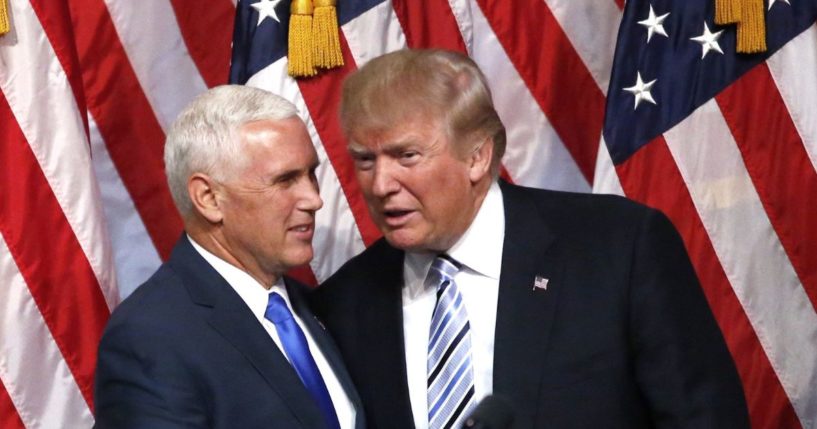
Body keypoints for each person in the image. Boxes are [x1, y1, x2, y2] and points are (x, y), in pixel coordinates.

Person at [310, 49, 749, 428]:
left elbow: (703, 418)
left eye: (406, 156)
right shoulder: (345, 303)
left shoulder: (618, 248)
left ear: (477, 156)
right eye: (365, 160)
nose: (381, 183)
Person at [94, 85, 363, 429]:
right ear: (208, 198)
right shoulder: (150, 338)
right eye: (285, 180)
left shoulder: (317, 308)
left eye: (311, 174)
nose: (313, 199)